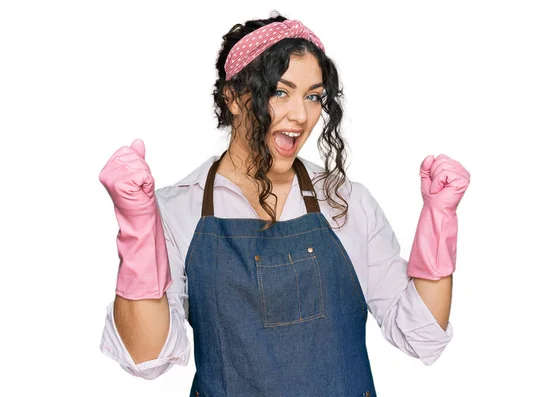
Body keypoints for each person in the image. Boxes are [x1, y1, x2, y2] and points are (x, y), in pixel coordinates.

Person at [98, 13, 470, 396]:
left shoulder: (345, 201)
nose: (301, 115)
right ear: (233, 98)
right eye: (280, 92)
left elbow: (420, 333)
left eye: (313, 96)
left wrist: (439, 220)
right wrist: (138, 229)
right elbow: (147, 356)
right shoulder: (180, 211)